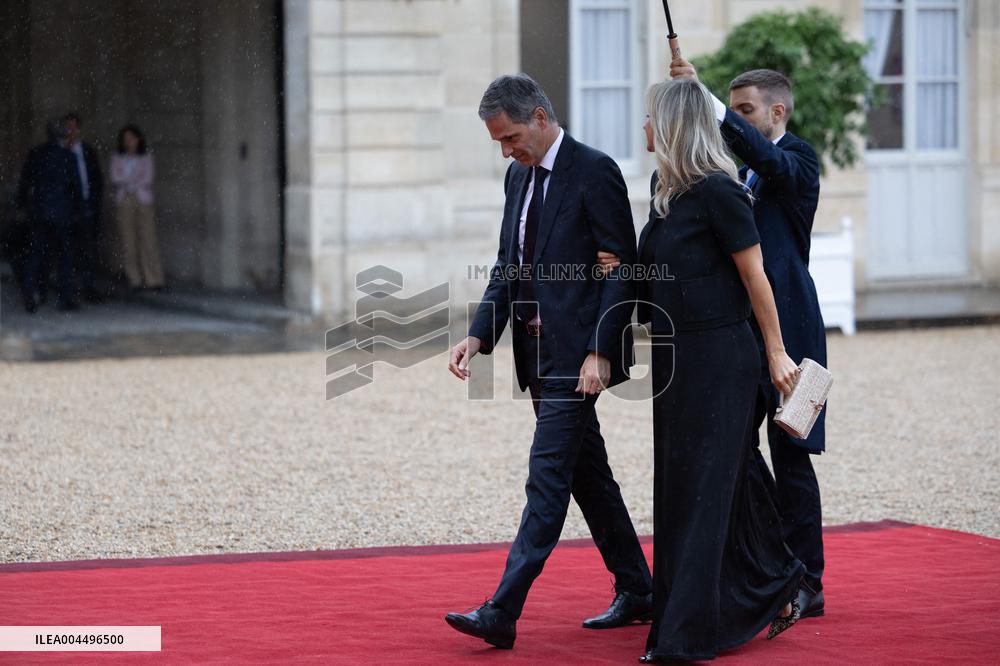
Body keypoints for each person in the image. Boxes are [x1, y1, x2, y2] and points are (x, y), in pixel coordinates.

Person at [444, 74, 653, 650]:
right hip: (536, 358)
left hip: (577, 360)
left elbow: (622, 268)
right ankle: (638, 590)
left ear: (540, 117)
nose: (506, 151)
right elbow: (508, 264)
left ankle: (502, 610)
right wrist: (480, 335)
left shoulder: (595, 170)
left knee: (548, 479)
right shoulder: (518, 176)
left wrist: (601, 351)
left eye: (510, 137)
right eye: (498, 143)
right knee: (590, 477)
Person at [634, 78, 804, 662]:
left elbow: (757, 279)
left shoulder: (720, 192)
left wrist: (777, 353)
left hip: (722, 360)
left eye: (652, 118)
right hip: (673, 362)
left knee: (702, 491)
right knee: (713, 482)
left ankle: (684, 633)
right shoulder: (666, 191)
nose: (646, 130)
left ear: (676, 124)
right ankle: (778, 578)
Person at [667, 60, 828, 617]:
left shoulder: (798, 160)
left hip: (798, 335)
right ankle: (760, 571)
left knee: (794, 454)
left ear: (777, 112)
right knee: (735, 447)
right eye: (732, 110)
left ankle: (809, 582)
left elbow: (770, 161)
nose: (733, 121)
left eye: (745, 111)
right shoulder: (740, 175)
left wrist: (706, 99)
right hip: (743, 335)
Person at [17, 118, 81, 312]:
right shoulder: (68, 157)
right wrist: (76, 209)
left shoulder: (36, 154)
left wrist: (23, 205)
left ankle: (30, 290)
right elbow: (75, 186)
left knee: (36, 254)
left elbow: (25, 182)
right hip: (61, 211)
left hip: (40, 211)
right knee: (64, 256)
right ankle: (65, 297)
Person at [109, 124, 165, 291]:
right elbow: (115, 177)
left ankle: (154, 278)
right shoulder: (117, 157)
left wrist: (127, 178)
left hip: (142, 199)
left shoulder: (146, 157)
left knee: (148, 238)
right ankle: (134, 278)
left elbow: (146, 178)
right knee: (128, 240)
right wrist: (132, 178)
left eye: (131, 138)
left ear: (138, 140)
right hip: (125, 199)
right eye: (125, 139)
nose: (128, 142)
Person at [64, 112, 105, 303]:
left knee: (88, 248)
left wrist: (95, 203)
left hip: (86, 205)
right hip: (66, 208)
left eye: (73, 127)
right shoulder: (59, 152)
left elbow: (96, 178)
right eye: (67, 127)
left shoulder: (87, 151)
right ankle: (69, 290)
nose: (70, 131)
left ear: (79, 129)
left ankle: (89, 287)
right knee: (68, 249)